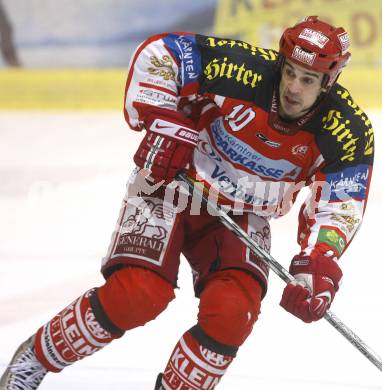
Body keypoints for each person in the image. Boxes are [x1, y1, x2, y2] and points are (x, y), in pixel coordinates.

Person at [0, 15, 374, 389]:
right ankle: (33, 359)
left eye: (308, 80)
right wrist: (165, 124)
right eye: (289, 72)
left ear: (329, 82)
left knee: (234, 311)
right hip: (172, 181)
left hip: (245, 211)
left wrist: (317, 267)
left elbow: (340, 206)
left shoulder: (347, 131)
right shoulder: (241, 69)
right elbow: (161, 54)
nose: (292, 87)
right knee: (138, 293)